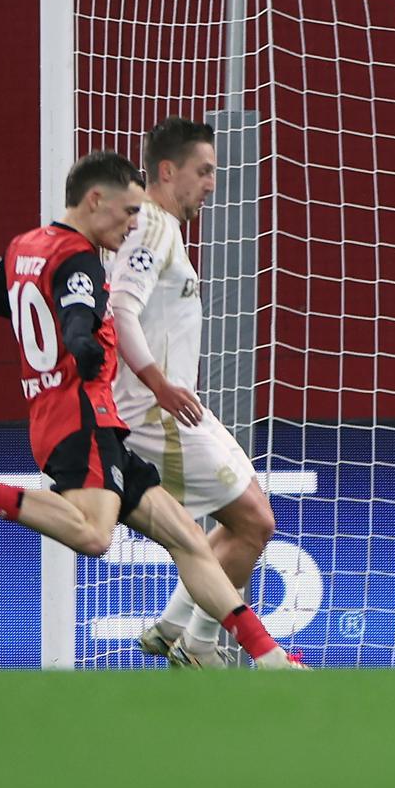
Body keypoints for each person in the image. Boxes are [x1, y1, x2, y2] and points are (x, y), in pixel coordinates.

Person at [0, 152, 299, 668]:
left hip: (80, 419)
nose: (134, 223)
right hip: (80, 419)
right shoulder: (80, 258)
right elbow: (77, 317)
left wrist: (48, 319)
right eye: (128, 211)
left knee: (190, 541)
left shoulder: (25, 247)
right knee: (94, 535)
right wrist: (78, 340)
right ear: (95, 201)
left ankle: (269, 659)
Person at [105, 118, 280, 668]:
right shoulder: (152, 226)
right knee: (254, 521)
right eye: (203, 171)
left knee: (253, 517)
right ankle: (197, 643)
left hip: (176, 407)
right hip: (153, 412)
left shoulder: (156, 227)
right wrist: (159, 384)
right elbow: (120, 309)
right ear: (166, 170)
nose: (211, 183)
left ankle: (175, 627)